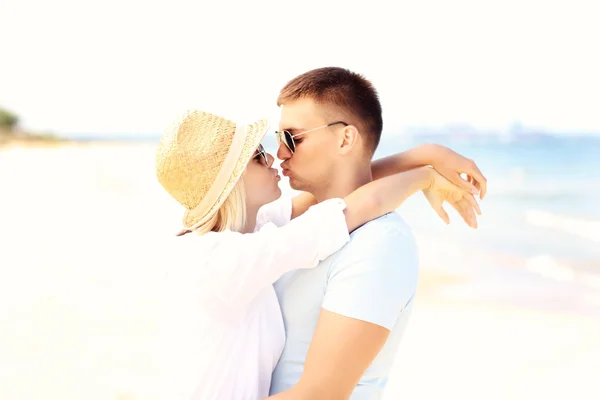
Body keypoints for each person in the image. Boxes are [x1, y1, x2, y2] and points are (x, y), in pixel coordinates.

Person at [154, 106, 484, 398]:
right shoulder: (226, 260)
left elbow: (335, 195)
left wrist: (423, 154)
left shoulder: (246, 234)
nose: (274, 157)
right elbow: (347, 211)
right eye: (257, 156)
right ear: (233, 184)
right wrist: (424, 177)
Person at [267, 67, 486, 399]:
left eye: (292, 138)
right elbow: (352, 194)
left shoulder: (379, 243)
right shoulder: (302, 223)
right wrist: (422, 159)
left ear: (345, 139)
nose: (280, 153)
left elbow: (321, 394)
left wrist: (422, 168)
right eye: (278, 139)